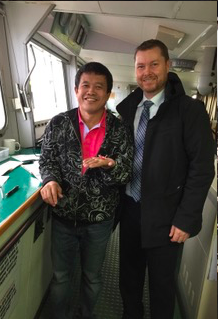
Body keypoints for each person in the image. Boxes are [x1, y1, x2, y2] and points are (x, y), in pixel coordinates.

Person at [116, 39, 215, 319]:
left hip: (168, 215)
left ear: (168, 66)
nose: (147, 71)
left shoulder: (189, 111)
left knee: (162, 283)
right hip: (130, 208)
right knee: (129, 276)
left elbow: (202, 168)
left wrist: (186, 218)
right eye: (140, 66)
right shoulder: (127, 110)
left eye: (154, 64)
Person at [39, 62, 133, 319]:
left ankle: (86, 315)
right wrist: (49, 180)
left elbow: (126, 172)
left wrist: (109, 163)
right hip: (64, 214)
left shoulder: (120, 129)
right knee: (60, 278)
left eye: (99, 87)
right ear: (76, 89)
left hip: (99, 220)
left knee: (92, 277)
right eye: (85, 85)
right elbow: (46, 159)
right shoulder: (58, 123)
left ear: (108, 93)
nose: (91, 91)